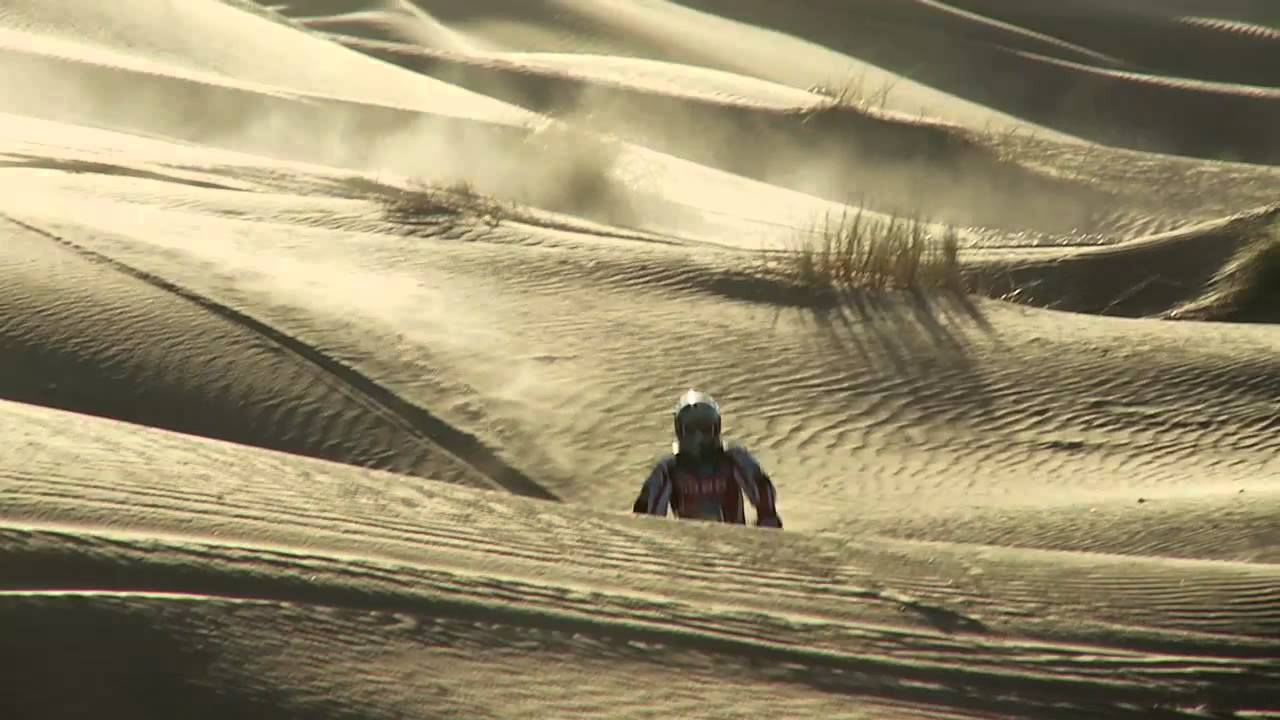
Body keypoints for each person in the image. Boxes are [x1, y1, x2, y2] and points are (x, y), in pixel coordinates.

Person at [631, 390, 782, 528]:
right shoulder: (668, 470)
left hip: (735, 544)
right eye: (690, 430)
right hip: (689, 548)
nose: (698, 437)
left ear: (717, 428)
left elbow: (762, 491)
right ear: (679, 431)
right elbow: (647, 518)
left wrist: (767, 522)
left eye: (705, 428)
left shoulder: (733, 459)